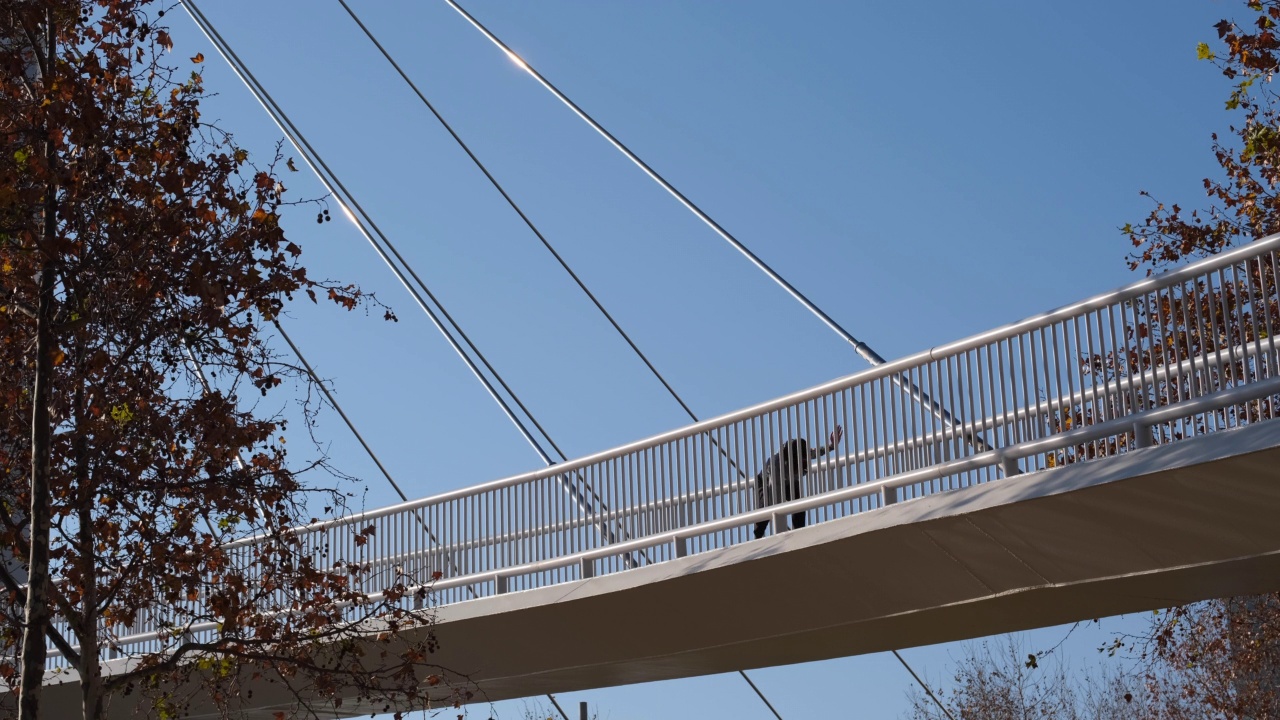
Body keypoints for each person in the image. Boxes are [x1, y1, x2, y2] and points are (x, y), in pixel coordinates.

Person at [753, 425, 843, 539]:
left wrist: (831, 446)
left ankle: (798, 533)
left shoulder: (802, 452)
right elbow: (774, 499)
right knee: (765, 508)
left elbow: (816, 452)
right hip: (766, 482)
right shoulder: (776, 466)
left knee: (798, 503)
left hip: (788, 480)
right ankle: (758, 537)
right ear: (792, 461)